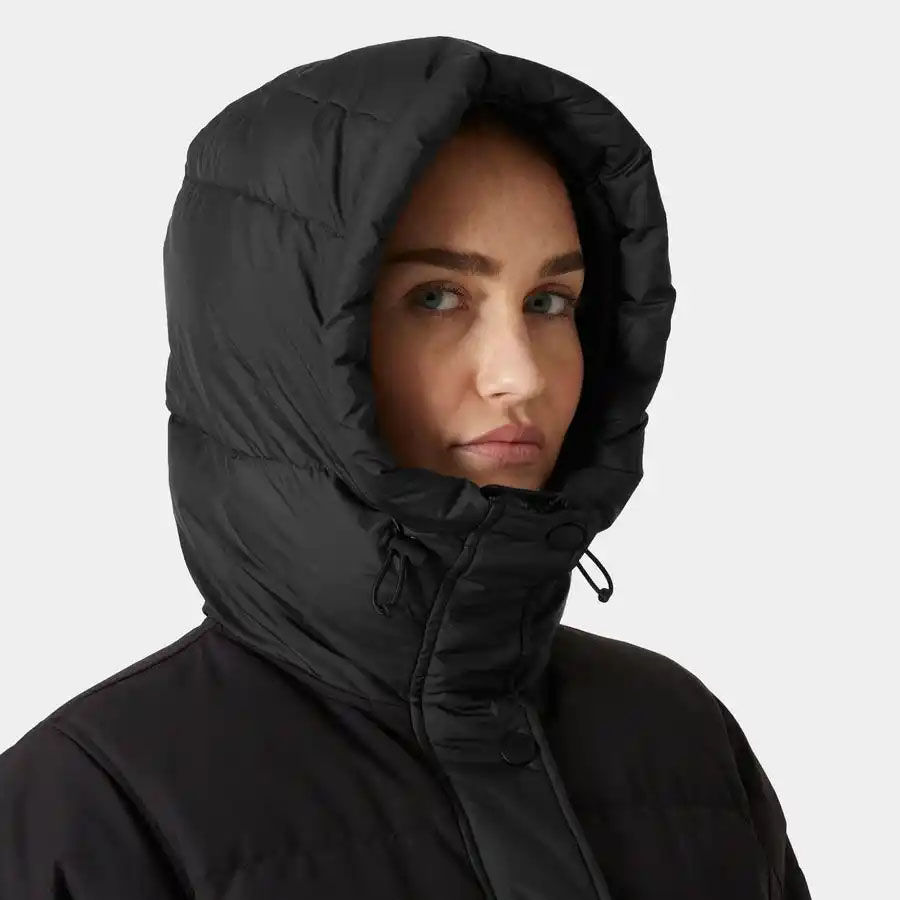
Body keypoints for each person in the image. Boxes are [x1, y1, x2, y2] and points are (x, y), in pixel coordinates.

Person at [0, 35, 811, 899]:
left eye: (549, 302)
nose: (520, 375)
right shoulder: (92, 807)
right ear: (283, 347)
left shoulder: (684, 741)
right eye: (436, 297)